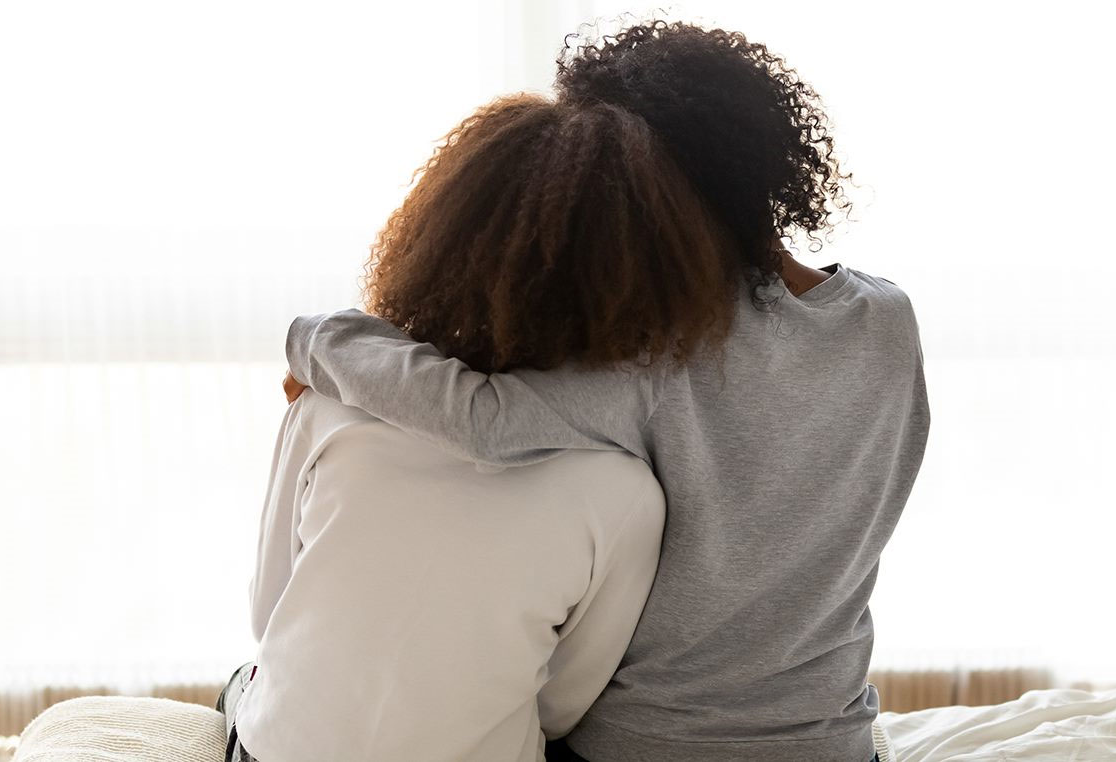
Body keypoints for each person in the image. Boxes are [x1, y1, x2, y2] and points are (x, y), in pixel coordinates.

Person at [283, 21, 928, 762]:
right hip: (837, 746)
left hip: (646, 748)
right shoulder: (888, 321)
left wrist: (318, 338)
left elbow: (481, 418)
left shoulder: (665, 354)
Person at [218, 93, 742, 762]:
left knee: (244, 685)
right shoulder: (625, 492)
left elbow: (271, 617)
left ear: (440, 236)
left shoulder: (325, 408)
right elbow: (562, 706)